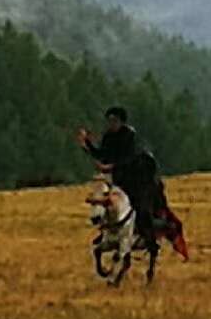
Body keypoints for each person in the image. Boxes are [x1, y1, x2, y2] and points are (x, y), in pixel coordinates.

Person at [75, 106, 185, 256]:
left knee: (141, 208)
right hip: (118, 180)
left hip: (136, 179)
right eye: (109, 121)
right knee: (106, 205)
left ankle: (149, 238)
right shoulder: (108, 137)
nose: (111, 124)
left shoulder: (130, 136)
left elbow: (130, 159)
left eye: (114, 121)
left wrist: (110, 166)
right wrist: (86, 144)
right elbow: (101, 154)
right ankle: (107, 232)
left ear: (121, 122)